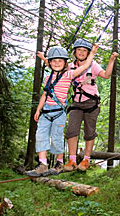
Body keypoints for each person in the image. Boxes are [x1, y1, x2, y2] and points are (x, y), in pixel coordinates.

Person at [25, 44, 99, 177]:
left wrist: (92, 52)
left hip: (59, 111)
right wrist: (38, 110)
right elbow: (45, 94)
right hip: (46, 111)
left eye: (61, 61)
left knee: (57, 137)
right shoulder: (48, 78)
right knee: (41, 136)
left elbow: (84, 66)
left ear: (66, 63)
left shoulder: (68, 75)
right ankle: (43, 164)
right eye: (53, 61)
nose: (57, 63)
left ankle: (59, 162)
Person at [63, 39, 118, 172]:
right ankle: (72, 160)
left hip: (91, 102)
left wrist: (111, 61)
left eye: (84, 51)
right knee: (71, 130)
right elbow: (56, 67)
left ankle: (86, 159)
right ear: (75, 52)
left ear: (88, 53)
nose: (81, 53)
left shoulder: (93, 65)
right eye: (79, 50)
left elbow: (106, 75)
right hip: (76, 102)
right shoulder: (70, 66)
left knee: (89, 132)